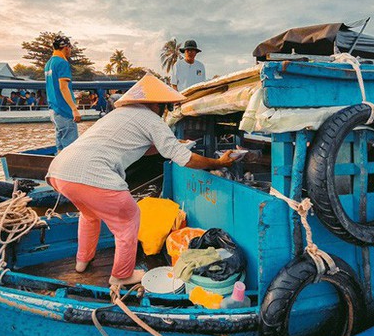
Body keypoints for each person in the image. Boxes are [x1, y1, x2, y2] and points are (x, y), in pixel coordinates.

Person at [46, 74, 235, 286]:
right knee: (128, 219)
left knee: (89, 216)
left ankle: (82, 261)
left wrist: (169, 144)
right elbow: (186, 159)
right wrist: (219, 163)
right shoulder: (152, 119)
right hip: (92, 173)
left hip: (60, 170)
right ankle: (121, 275)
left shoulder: (119, 114)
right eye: (166, 107)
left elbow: (138, 148)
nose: (166, 111)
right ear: (156, 104)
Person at [45, 33, 81, 150]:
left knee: (60, 146)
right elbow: (63, 87)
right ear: (66, 47)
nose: (70, 51)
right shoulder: (62, 62)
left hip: (54, 111)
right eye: (70, 48)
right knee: (71, 149)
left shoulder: (48, 64)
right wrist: (74, 109)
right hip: (64, 111)